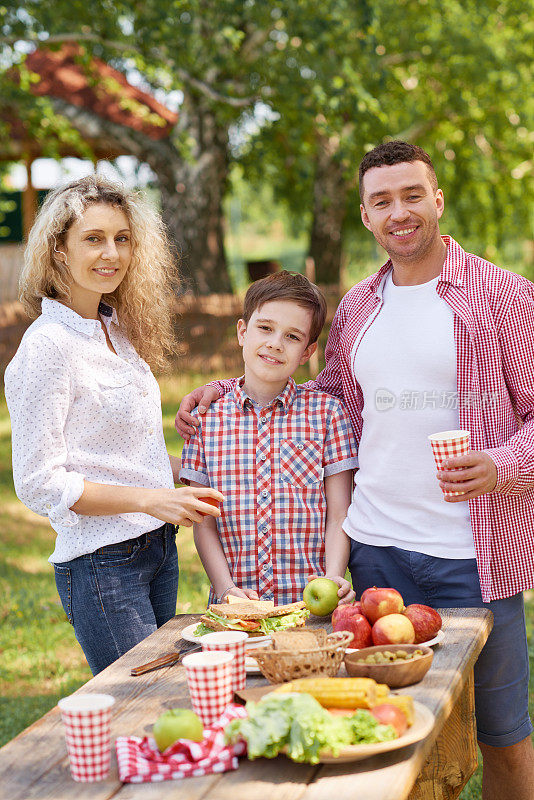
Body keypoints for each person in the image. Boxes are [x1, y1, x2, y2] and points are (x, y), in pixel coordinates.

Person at [175, 142, 534, 799]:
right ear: (366, 216)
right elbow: (325, 394)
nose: (399, 211)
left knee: (503, 738)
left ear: (437, 201)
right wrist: (230, 387)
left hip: (475, 557)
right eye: (382, 201)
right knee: (380, 737)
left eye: (411, 195)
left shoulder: (504, 296)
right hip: (375, 555)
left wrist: (505, 463)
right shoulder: (360, 308)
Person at [4, 175, 223, 675]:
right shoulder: (47, 348)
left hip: (157, 548)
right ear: (58, 250)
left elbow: (127, 454)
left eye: (122, 239)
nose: (112, 253)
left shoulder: (114, 328)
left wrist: (193, 470)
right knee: (141, 706)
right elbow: (39, 484)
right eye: (93, 238)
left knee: (167, 698)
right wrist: (154, 499)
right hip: (103, 564)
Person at [179, 271, 359, 606]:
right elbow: (203, 525)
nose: (275, 343)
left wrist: (334, 576)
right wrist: (226, 589)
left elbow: (339, 513)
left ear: (307, 351)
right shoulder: (205, 419)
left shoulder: (328, 415)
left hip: (309, 605)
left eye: (292, 336)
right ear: (242, 332)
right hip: (236, 608)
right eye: (265, 328)